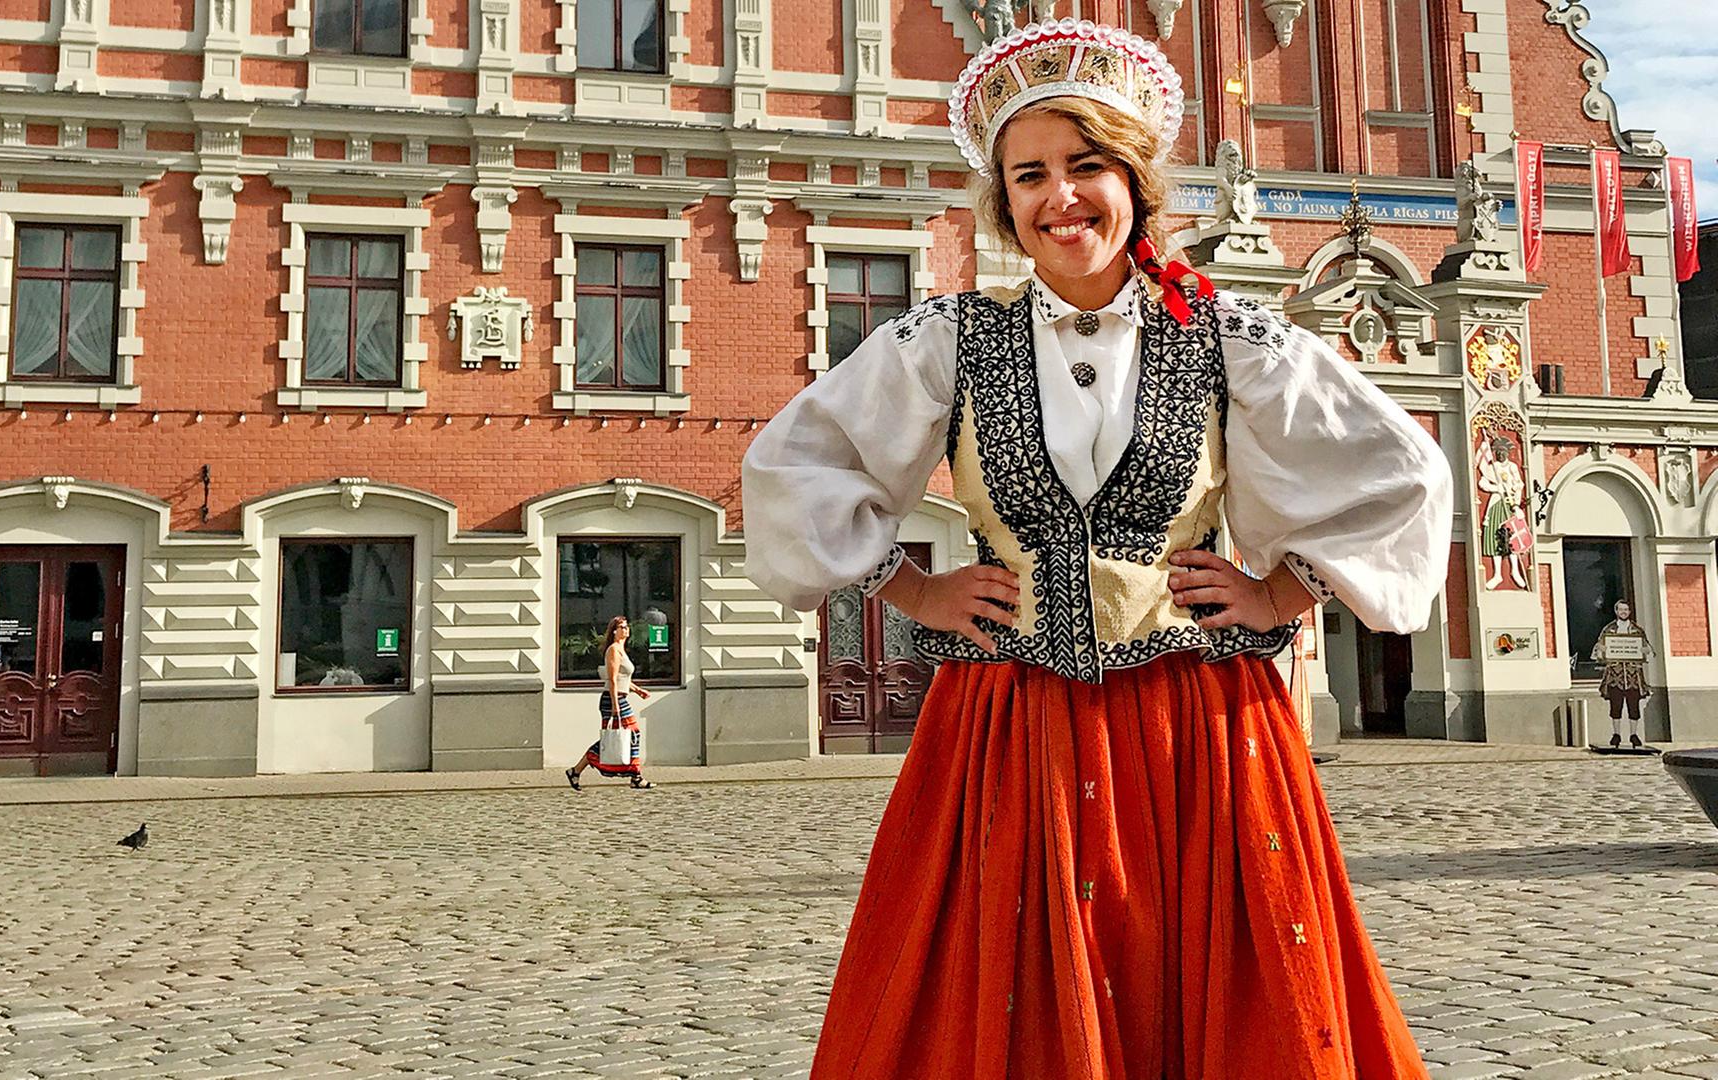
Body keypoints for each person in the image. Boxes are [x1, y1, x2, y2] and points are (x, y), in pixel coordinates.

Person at [741, 18, 1449, 1079]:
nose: (1060, 196)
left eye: (1086, 166)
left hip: (1199, 725)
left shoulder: (1228, 335)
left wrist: (1283, 593)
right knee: (1010, 989)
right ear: (1004, 204)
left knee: (1212, 986)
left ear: (1136, 181)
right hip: (1012, 723)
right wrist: (909, 588)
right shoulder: (949, 338)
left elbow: (1402, 472)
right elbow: (795, 462)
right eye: (1029, 176)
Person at [566, 615, 654, 790]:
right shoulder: (613, 650)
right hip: (612, 699)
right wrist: (615, 707)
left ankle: (576, 771)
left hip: (620, 697)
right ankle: (635, 777)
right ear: (614, 631)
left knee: (625, 735)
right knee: (620, 735)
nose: (626, 629)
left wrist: (638, 690)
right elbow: (613, 680)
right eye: (622, 627)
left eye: (627, 626)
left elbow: (623, 679)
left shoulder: (621, 649)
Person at [1590, 598, 1655, 749]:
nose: (1623, 612)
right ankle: (1616, 734)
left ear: (1629, 612)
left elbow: (1649, 651)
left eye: (1626, 610)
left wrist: (1646, 651)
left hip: (1633, 676)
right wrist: (1602, 651)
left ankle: (1634, 734)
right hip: (1615, 676)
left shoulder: (1637, 631)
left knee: (1634, 706)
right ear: (1616, 611)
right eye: (1621, 610)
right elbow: (1597, 652)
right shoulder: (1609, 630)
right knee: (1615, 706)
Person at [1477, 434, 1528, 589]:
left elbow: (1519, 485)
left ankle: (1515, 571)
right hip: (1496, 504)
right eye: (1498, 451)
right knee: (1495, 538)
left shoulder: (1512, 467)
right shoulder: (1493, 467)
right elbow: (1483, 482)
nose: (1500, 454)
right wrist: (1495, 488)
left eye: (1503, 451)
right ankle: (1497, 574)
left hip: (1510, 503)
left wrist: (1517, 505)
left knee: (1512, 538)